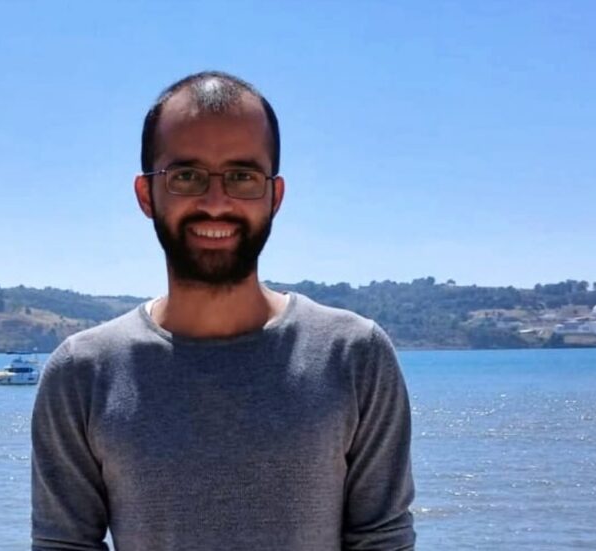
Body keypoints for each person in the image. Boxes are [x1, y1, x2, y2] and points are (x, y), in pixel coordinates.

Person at [31, 71, 415, 550]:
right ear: (146, 195)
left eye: (242, 177)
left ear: (275, 196)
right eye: (186, 176)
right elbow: (64, 545)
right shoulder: (83, 372)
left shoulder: (354, 355)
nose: (216, 203)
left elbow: (382, 540)